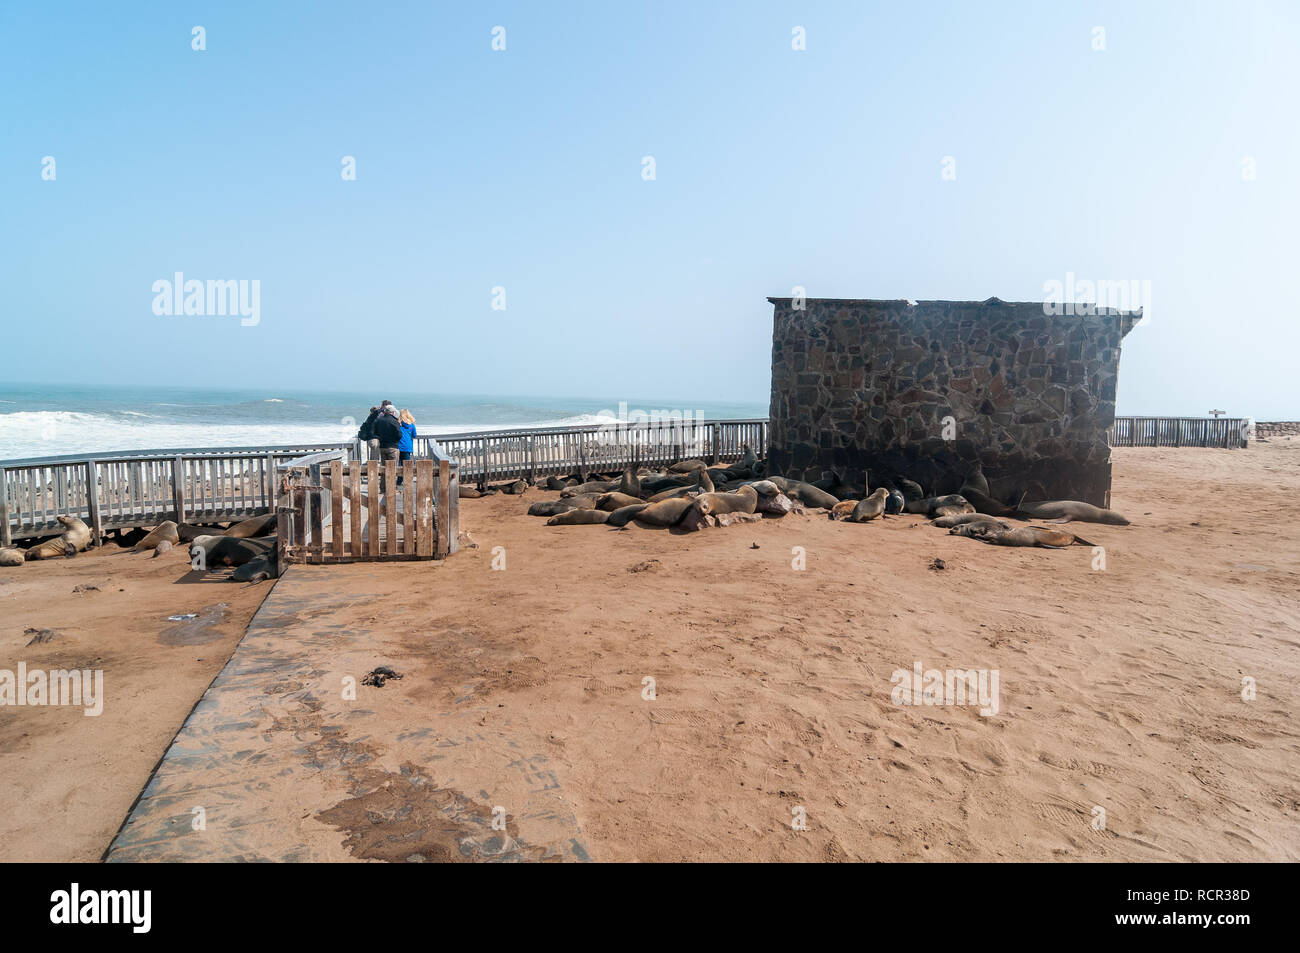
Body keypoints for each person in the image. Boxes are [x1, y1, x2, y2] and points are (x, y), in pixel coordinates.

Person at [372, 403, 403, 491]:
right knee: (393, 469)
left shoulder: (379, 420)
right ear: (392, 412)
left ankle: (383, 488)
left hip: (382, 447)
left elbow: (375, 432)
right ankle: (392, 488)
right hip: (393, 447)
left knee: (384, 468)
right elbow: (399, 435)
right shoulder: (394, 421)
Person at [397, 409, 417, 485]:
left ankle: (399, 481)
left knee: (399, 465)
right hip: (407, 447)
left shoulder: (398, 424)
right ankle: (406, 481)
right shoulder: (411, 426)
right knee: (406, 465)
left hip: (398, 446)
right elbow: (414, 435)